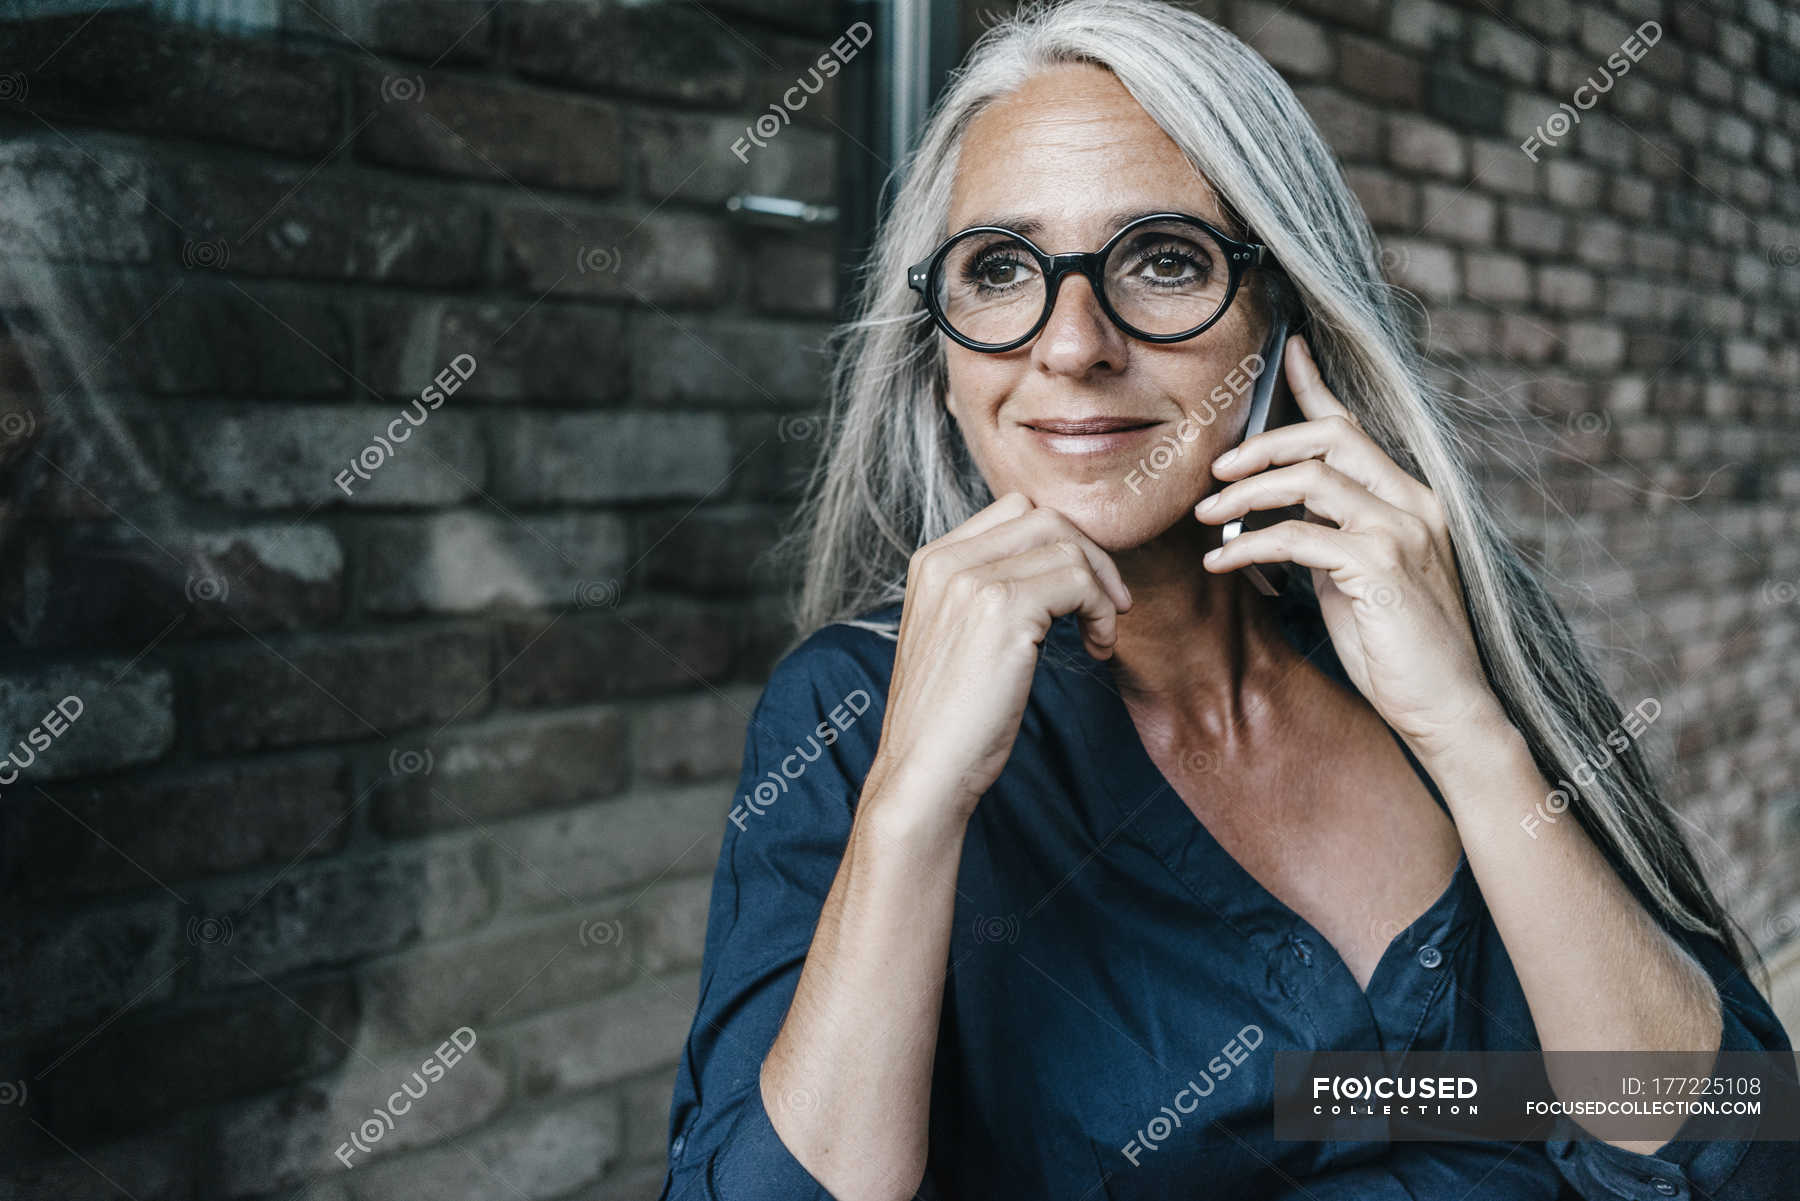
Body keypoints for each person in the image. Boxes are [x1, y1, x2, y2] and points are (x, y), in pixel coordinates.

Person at [657, 1, 1794, 1197]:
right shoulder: (849, 717)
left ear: (1285, 312)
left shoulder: (1434, 626)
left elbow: (1739, 1150)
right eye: (999, 270)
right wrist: (909, 814)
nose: (1072, 345)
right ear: (942, 363)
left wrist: (1467, 730)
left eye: (1162, 259)